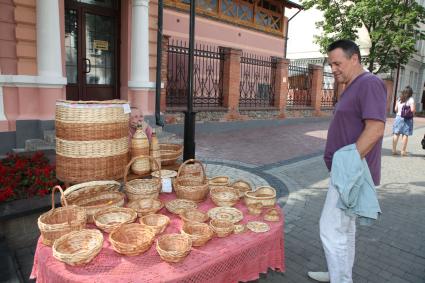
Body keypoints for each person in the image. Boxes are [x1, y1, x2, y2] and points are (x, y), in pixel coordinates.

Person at [308, 39, 387, 283]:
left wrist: (347, 166)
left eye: (337, 63)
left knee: (331, 229)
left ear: (355, 59)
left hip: (350, 174)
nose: (333, 69)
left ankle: (341, 279)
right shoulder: (352, 86)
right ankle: (338, 274)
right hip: (346, 172)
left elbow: (375, 129)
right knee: (345, 230)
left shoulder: (369, 84)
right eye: (331, 64)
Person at [392, 86, 415, 156]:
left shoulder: (399, 99)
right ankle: (403, 151)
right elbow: (412, 110)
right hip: (407, 118)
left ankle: (394, 150)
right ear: (410, 93)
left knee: (396, 133)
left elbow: (395, 109)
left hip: (398, 117)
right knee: (405, 134)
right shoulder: (411, 99)